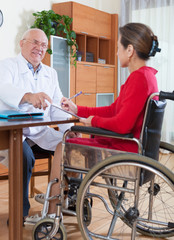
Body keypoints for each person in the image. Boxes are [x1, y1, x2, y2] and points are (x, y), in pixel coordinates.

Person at [45, 22, 161, 216]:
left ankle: (51, 214)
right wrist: (78, 109)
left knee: (62, 145)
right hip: (132, 147)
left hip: (124, 150)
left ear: (130, 50)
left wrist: (92, 121)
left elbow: (122, 124)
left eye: (118, 48)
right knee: (73, 140)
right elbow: (113, 110)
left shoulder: (139, 79)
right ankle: (72, 196)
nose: (116, 53)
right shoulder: (146, 76)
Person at [0, 28, 77, 222]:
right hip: (12, 133)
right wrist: (28, 96)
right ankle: (20, 211)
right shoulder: (6, 66)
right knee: (24, 157)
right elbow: (3, 89)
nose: (39, 48)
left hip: (40, 132)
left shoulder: (50, 73)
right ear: (22, 43)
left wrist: (69, 127)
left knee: (74, 147)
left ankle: (73, 200)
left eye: (43, 45)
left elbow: (56, 105)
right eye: (34, 42)